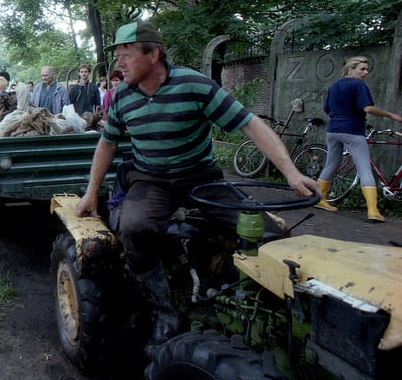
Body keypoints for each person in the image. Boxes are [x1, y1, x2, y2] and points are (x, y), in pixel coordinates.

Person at [75, 20, 318, 355]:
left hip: (200, 177)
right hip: (150, 180)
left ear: (153, 55)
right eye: (117, 56)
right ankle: (164, 310)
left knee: (267, 232)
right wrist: (91, 192)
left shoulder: (194, 84)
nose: (119, 64)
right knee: (134, 228)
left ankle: (247, 298)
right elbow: (107, 144)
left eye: (126, 55)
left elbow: (249, 124)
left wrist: (291, 173)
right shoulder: (122, 98)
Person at [315, 56, 402, 220]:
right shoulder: (358, 85)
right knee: (364, 169)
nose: (366, 72)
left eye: (366, 69)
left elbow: (326, 110)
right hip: (353, 131)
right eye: (362, 69)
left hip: (333, 131)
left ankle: (320, 199)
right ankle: (373, 211)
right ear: (350, 70)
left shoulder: (333, 86)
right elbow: (368, 108)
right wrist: (391, 115)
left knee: (331, 165)